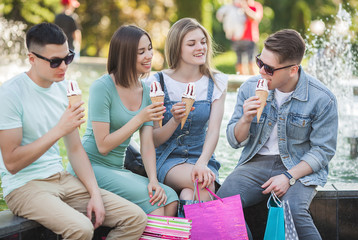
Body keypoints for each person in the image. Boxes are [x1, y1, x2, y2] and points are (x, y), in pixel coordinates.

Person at [0, 23, 147, 240]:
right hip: (24, 186)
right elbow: (12, 163)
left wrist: (95, 194)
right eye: (55, 62)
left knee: (135, 218)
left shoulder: (65, 90)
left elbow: (76, 150)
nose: (64, 67)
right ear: (32, 58)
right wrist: (60, 129)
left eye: (67, 58)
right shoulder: (10, 95)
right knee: (81, 228)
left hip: (61, 179)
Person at [217, 29, 338, 240]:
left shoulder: (322, 98)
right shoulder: (249, 88)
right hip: (257, 162)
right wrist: (245, 119)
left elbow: (323, 151)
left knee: (292, 209)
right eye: (259, 62)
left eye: (269, 68)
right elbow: (233, 140)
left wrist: (289, 177)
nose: (262, 71)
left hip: (298, 165)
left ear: (293, 70)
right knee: (223, 204)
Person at [67, 25, 179, 216]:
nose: (149, 55)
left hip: (117, 169)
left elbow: (147, 144)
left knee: (170, 198)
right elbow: (103, 145)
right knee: (157, 206)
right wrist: (140, 118)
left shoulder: (145, 90)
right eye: (141, 52)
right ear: (125, 55)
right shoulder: (102, 87)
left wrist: (153, 179)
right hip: (90, 167)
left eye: (150, 48)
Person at [145, 18, 228, 202]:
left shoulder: (217, 82)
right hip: (168, 158)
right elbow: (154, 140)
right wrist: (174, 120)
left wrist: (202, 162)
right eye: (192, 44)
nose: (201, 47)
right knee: (202, 182)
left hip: (202, 157)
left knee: (192, 191)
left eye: (203, 42)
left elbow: (214, 130)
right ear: (177, 48)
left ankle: (183, 215)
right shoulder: (156, 83)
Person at [218, 0, 263, 75]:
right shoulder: (235, 6)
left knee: (251, 63)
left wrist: (245, 7)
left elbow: (255, 18)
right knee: (239, 64)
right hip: (237, 39)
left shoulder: (256, 5)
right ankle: (243, 84)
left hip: (250, 39)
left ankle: (253, 83)